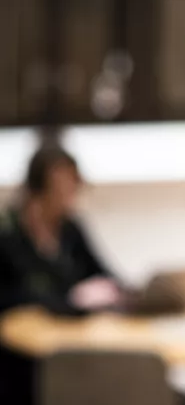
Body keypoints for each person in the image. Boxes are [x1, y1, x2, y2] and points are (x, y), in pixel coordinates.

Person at [0, 141, 123, 404]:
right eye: (62, 188)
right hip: (20, 360)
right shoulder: (8, 235)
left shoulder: (71, 230)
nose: (70, 196)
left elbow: (106, 275)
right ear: (37, 190)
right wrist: (69, 301)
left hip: (75, 346)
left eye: (73, 188)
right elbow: (9, 298)